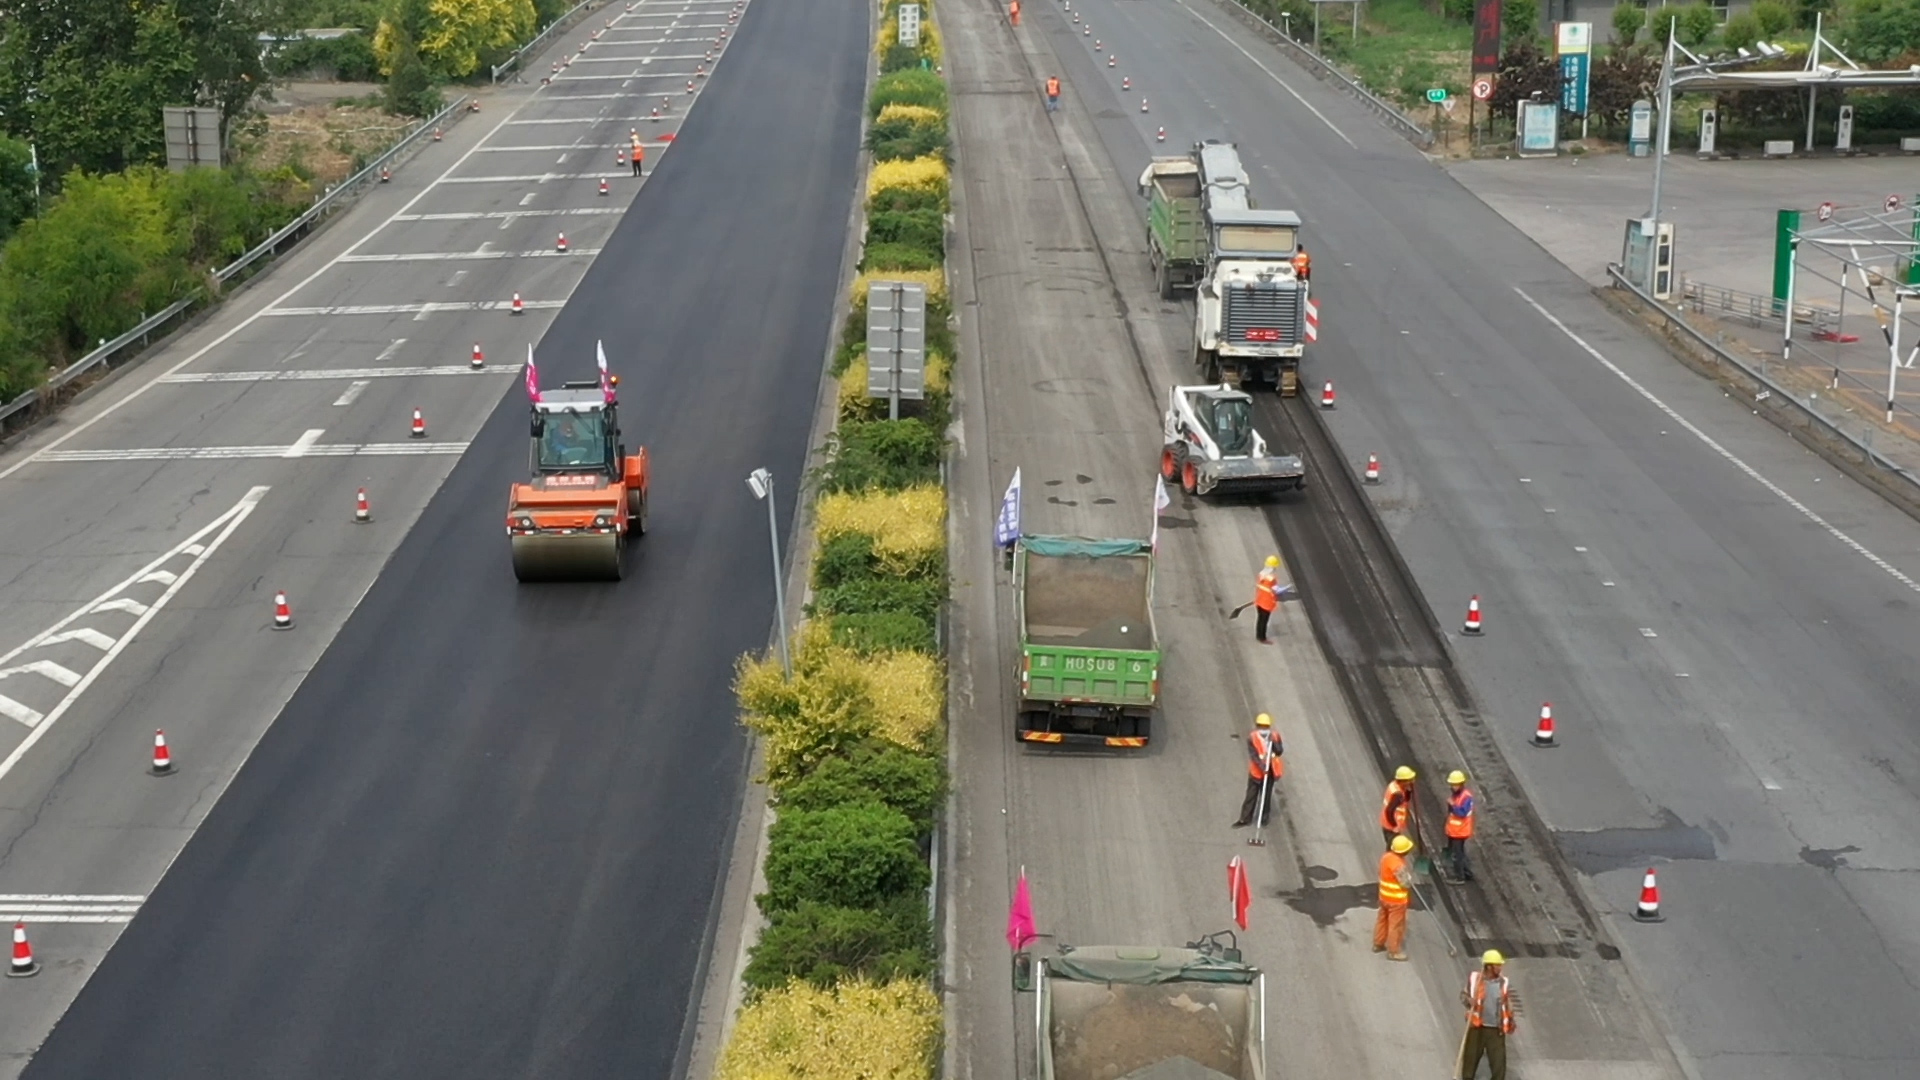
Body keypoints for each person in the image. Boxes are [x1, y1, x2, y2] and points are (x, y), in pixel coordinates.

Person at [1458, 950, 1516, 1079]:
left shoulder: (1503, 982)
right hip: (1476, 1028)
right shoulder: (1475, 979)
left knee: (1498, 1067)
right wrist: (1469, 1000)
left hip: (1496, 1030)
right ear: (1489, 966)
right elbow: (1463, 995)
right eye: (1498, 965)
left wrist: (1510, 1019)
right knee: (1470, 1063)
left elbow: (1507, 1003)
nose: (1500, 968)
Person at [1233, 713, 1282, 828]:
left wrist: (1273, 744)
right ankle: (1244, 819)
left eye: (1265, 727)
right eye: (1261, 726)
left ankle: (1264, 818)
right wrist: (1262, 766)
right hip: (1257, 772)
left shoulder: (1274, 736)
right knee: (1251, 795)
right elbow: (1254, 755)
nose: (1263, 729)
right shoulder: (1252, 738)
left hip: (1270, 771)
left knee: (1266, 795)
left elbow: (1279, 751)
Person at [1373, 834, 1413, 961]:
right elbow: (1405, 883)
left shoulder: (1386, 858)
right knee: (1395, 926)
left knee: (1382, 920)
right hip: (1397, 901)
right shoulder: (1398, 864)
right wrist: (1409, 879)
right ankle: (1393, 951)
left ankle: (1378, 943)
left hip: (1384, 897)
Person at [1445, 770, 1475, 883]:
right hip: (1455, 831)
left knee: (1457, 855)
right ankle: (1467, 873)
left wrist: (1452, 805)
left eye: (1455, 784)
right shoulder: (1457, 795)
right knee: (1460, 853)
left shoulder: (1465, 797)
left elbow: (1462, 813)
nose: (1453, 787)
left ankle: (1460, 877)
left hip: (1460, 831)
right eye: (1452, 785)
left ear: (1461, 784)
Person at [1381, 765, 1418, 849]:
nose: (1411, 781)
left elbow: (1405, 800)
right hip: (1391, 826)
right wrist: (1394, 826)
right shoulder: (1397, 794)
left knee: (1393, 846)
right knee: (1394, 848)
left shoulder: (1395, 785)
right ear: (1403, 781)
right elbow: (1389, 810)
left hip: (1388, 823)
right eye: (1409, 780)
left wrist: (1408, 791)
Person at [1253, 555, 1281, 644]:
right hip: (1267, 603)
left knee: (1260, 619)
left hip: (1259, 601)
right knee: (1264, 621)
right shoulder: (1272, 579)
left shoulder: (1261, 575)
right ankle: (1262, 638)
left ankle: (1258, 635)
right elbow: (1275, 590)